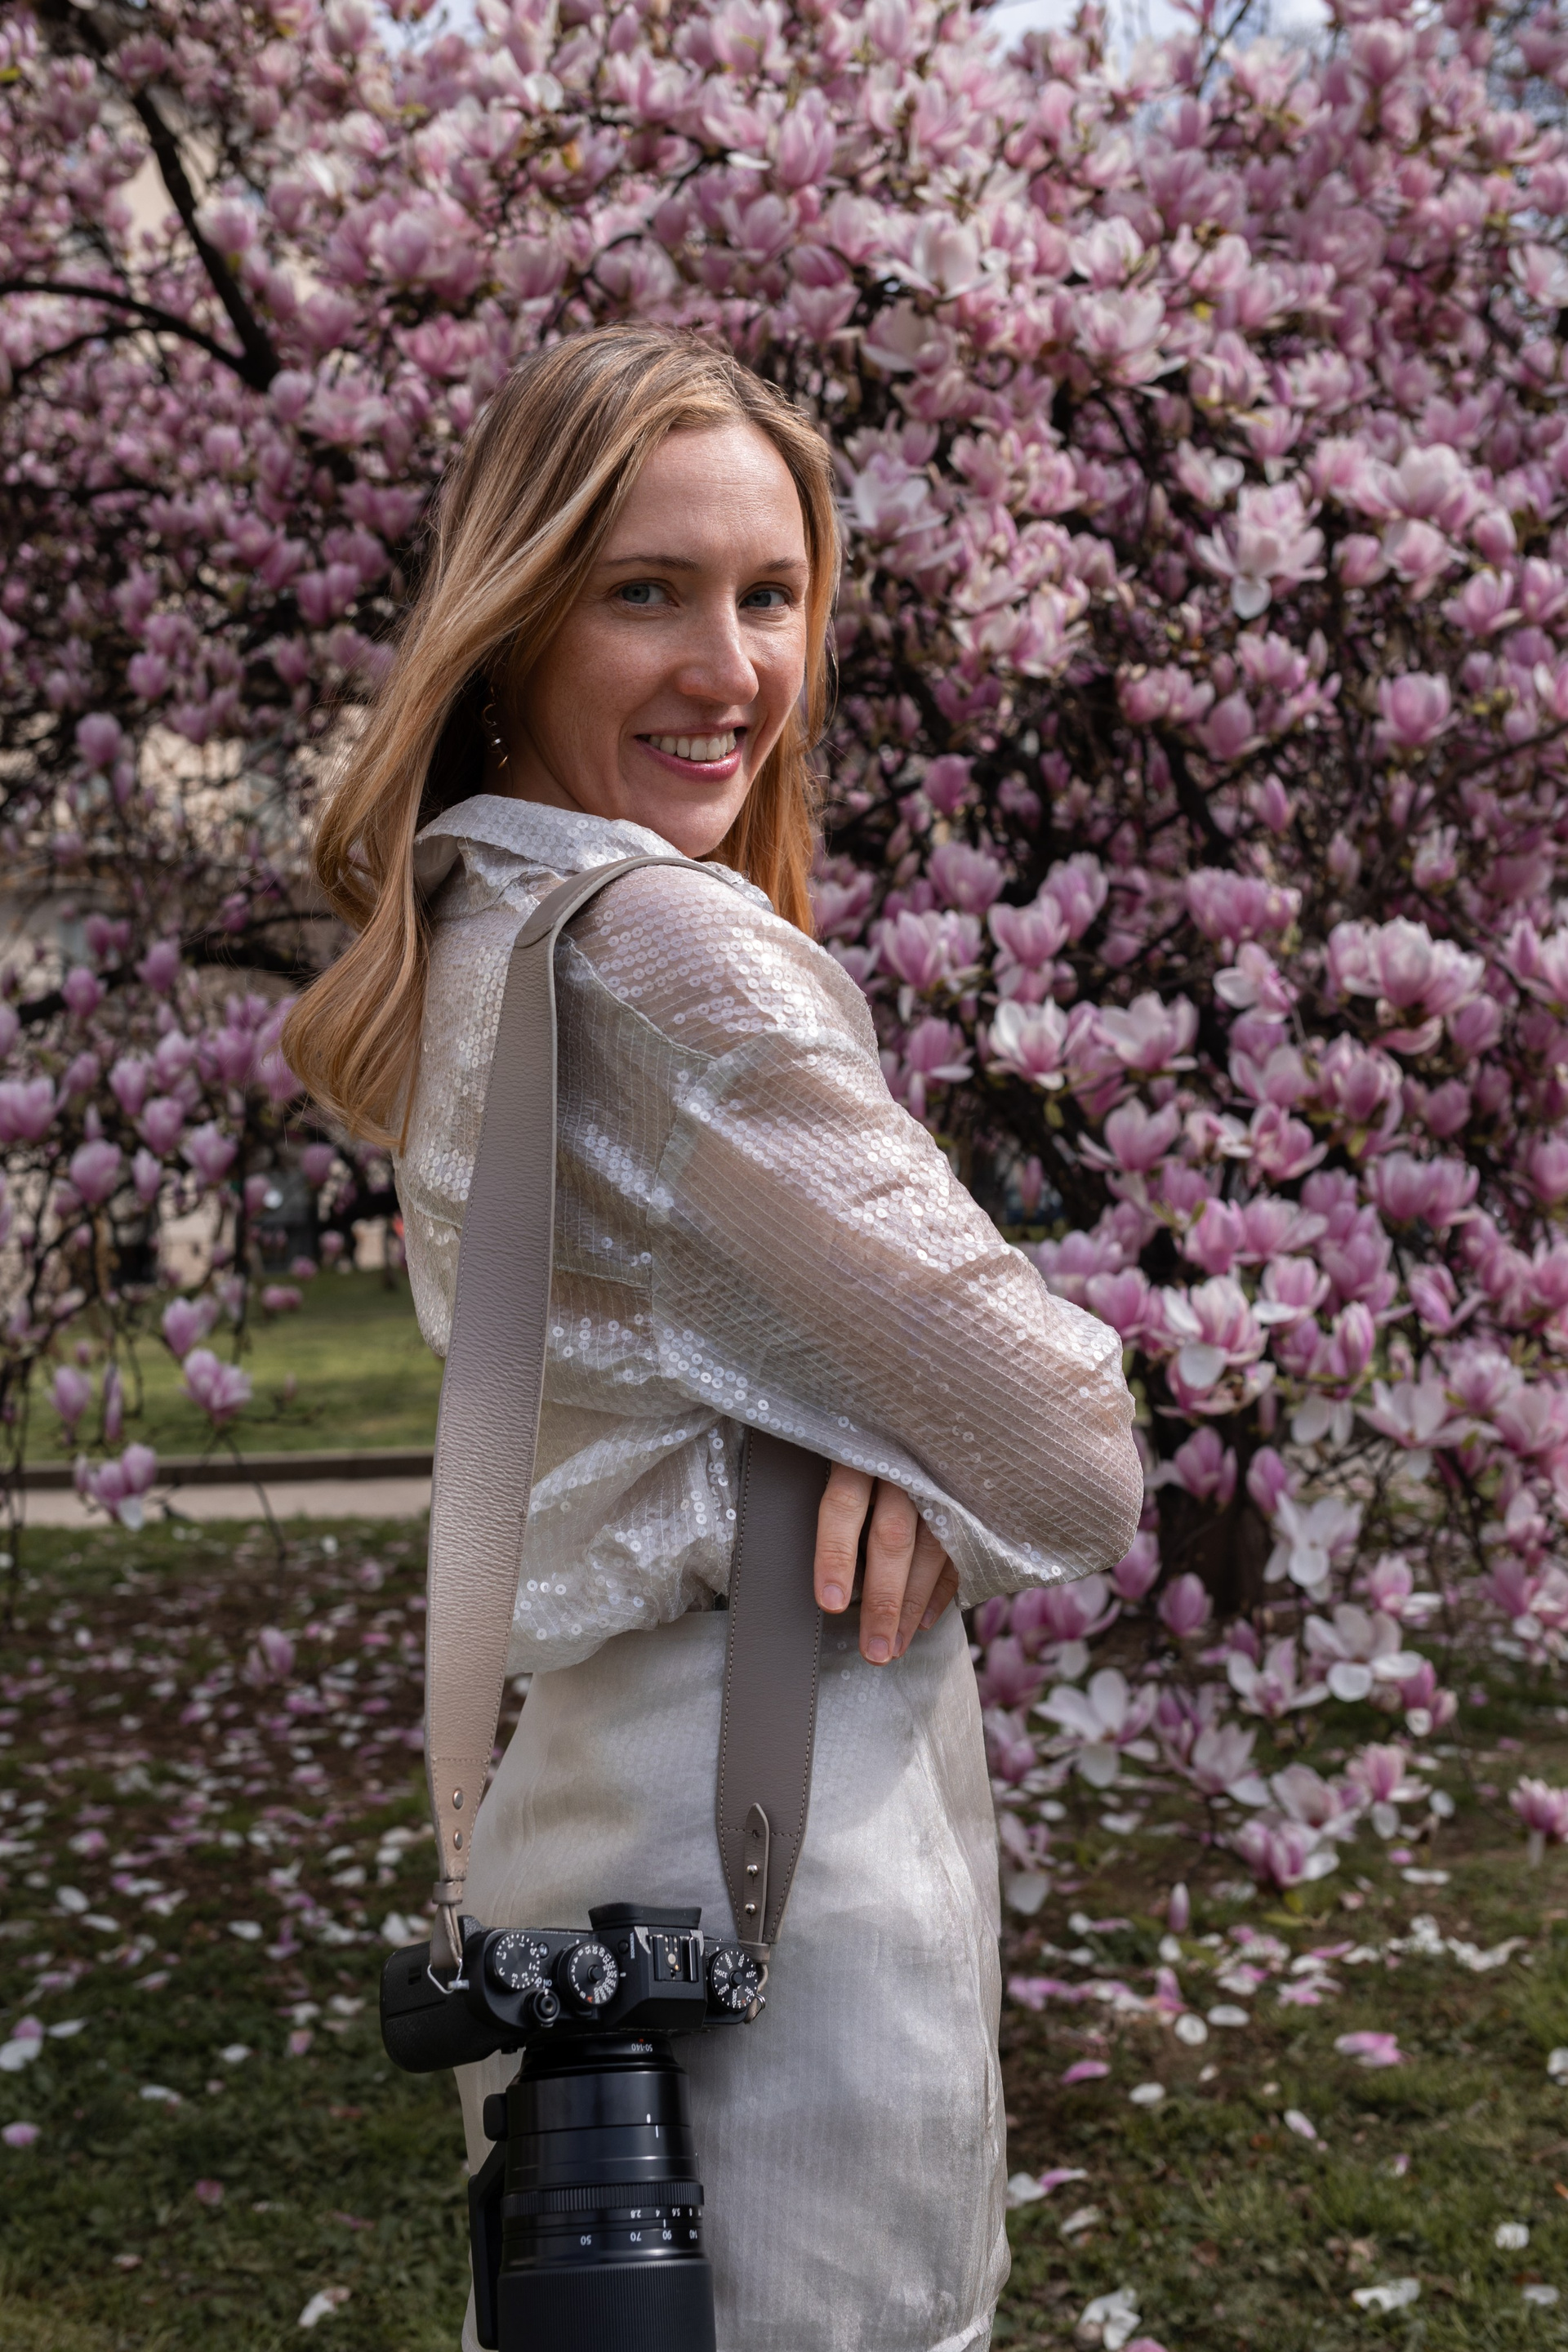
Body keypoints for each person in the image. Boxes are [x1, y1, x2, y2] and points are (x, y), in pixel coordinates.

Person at [284, 323, 1143, 2352]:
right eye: (646, 592)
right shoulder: (664, 949)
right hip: (774, 1850)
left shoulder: (486, 927)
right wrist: (924, 1448)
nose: (730, 667)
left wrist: (872, 1434)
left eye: (770, 596)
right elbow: (1073, 1454)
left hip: (581, 1827)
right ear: (515, 624)